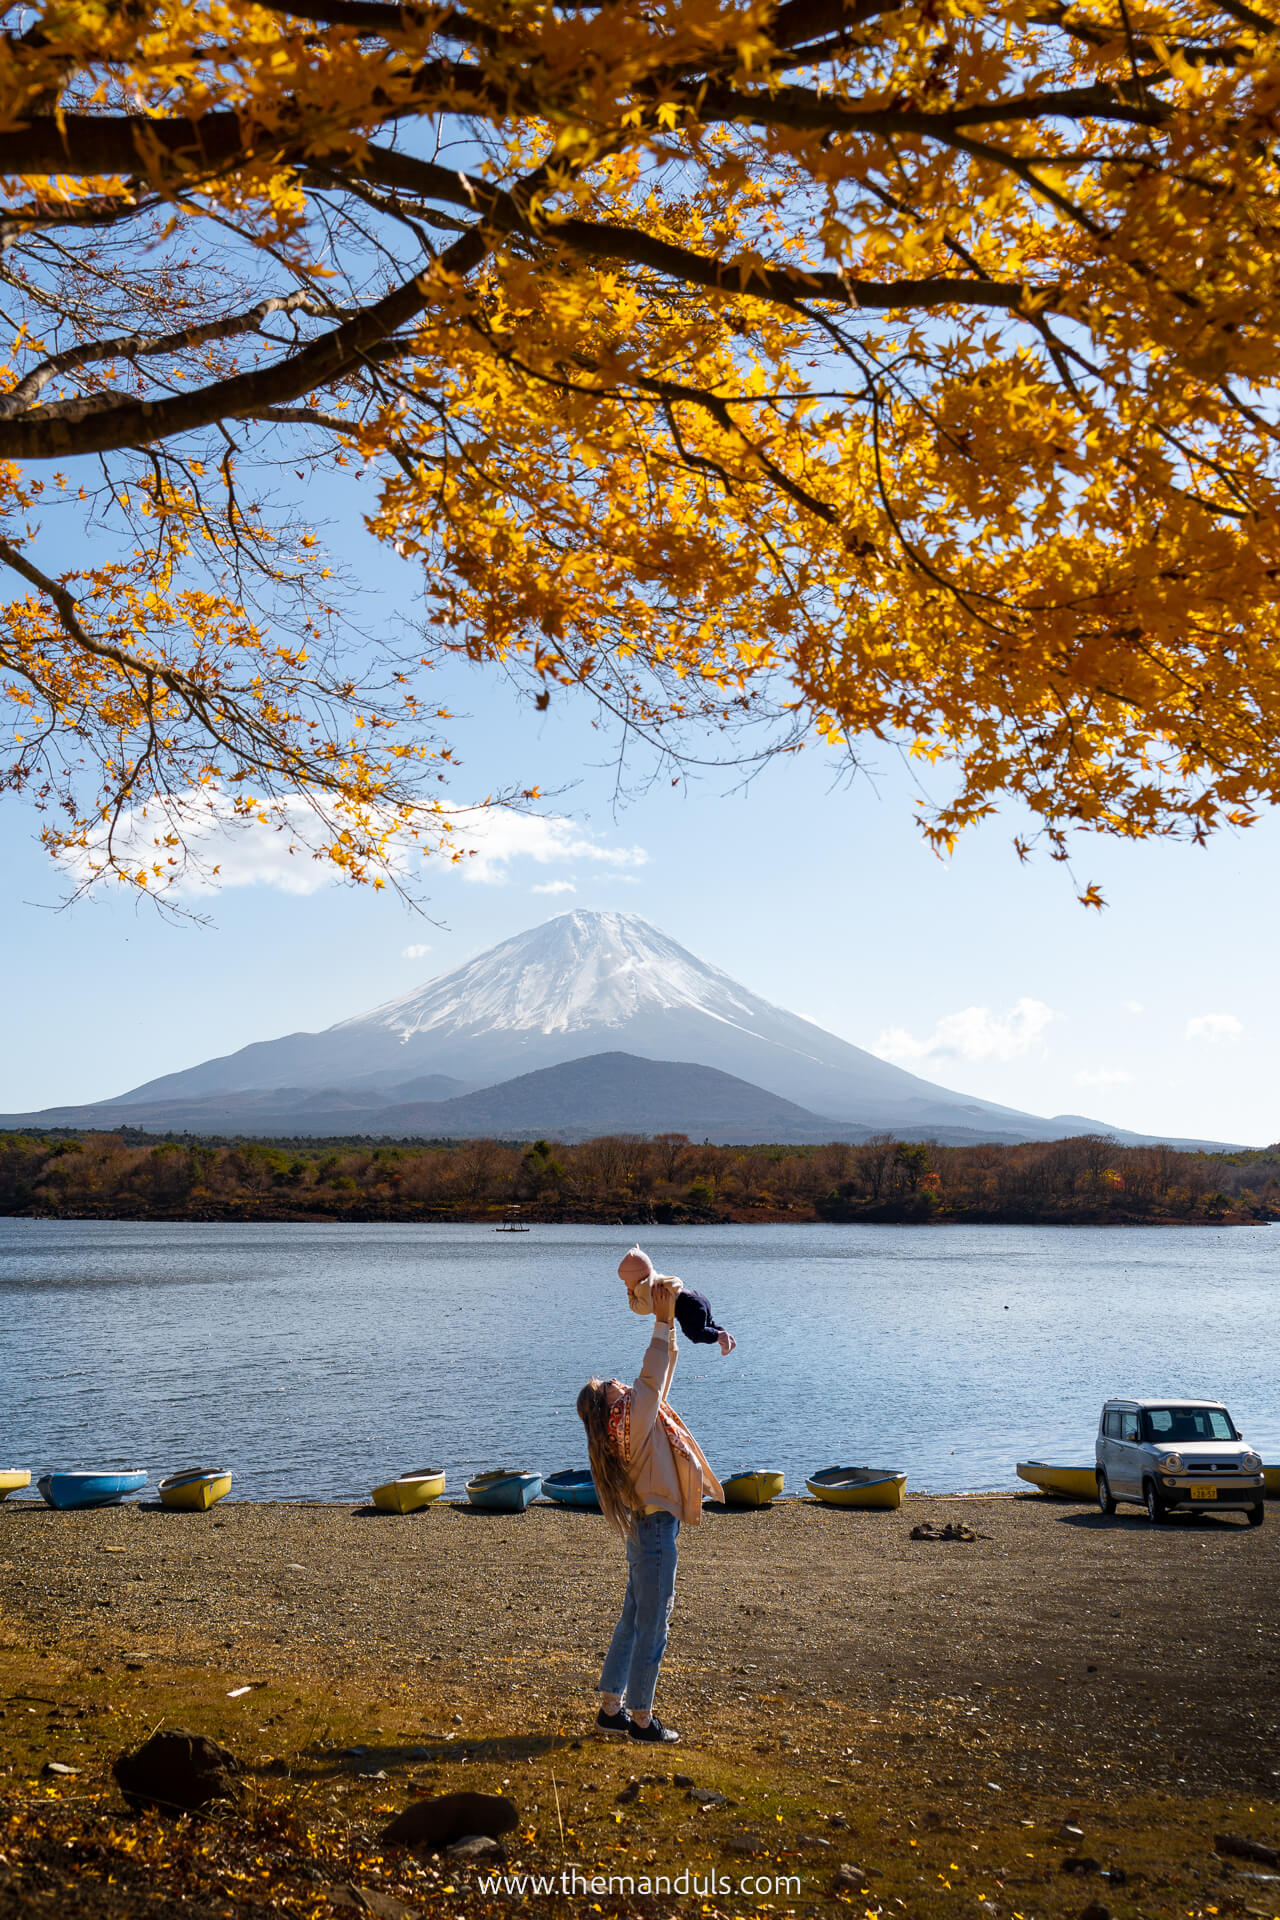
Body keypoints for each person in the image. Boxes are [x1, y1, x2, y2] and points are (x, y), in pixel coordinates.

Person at [576, 1278, 724, 1744]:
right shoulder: (628, 1419)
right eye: (611, 1384)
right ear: (609, 1405)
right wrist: (662, 1320)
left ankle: (610, 1708)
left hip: (647, 1527)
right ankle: (642, 1720)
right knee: (652, 1625)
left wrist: (671, 1324)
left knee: (633, 1618)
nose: (619, 1382)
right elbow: (652, 1373)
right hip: (656, 1530)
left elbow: (656, 1382)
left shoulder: (623, 1424)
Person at [618, 1245, 736, 1356]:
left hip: (687, 1307)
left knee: (695, 1334)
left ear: (636, 1277)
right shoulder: (654, 1278)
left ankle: (722, 1336)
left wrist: (631, 1297)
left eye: (626, 1280)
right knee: (708, 1325)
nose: (625, 1284)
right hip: (696, 1298)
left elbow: (643, 1308)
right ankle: (727, 1338)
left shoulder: (643, 1286)